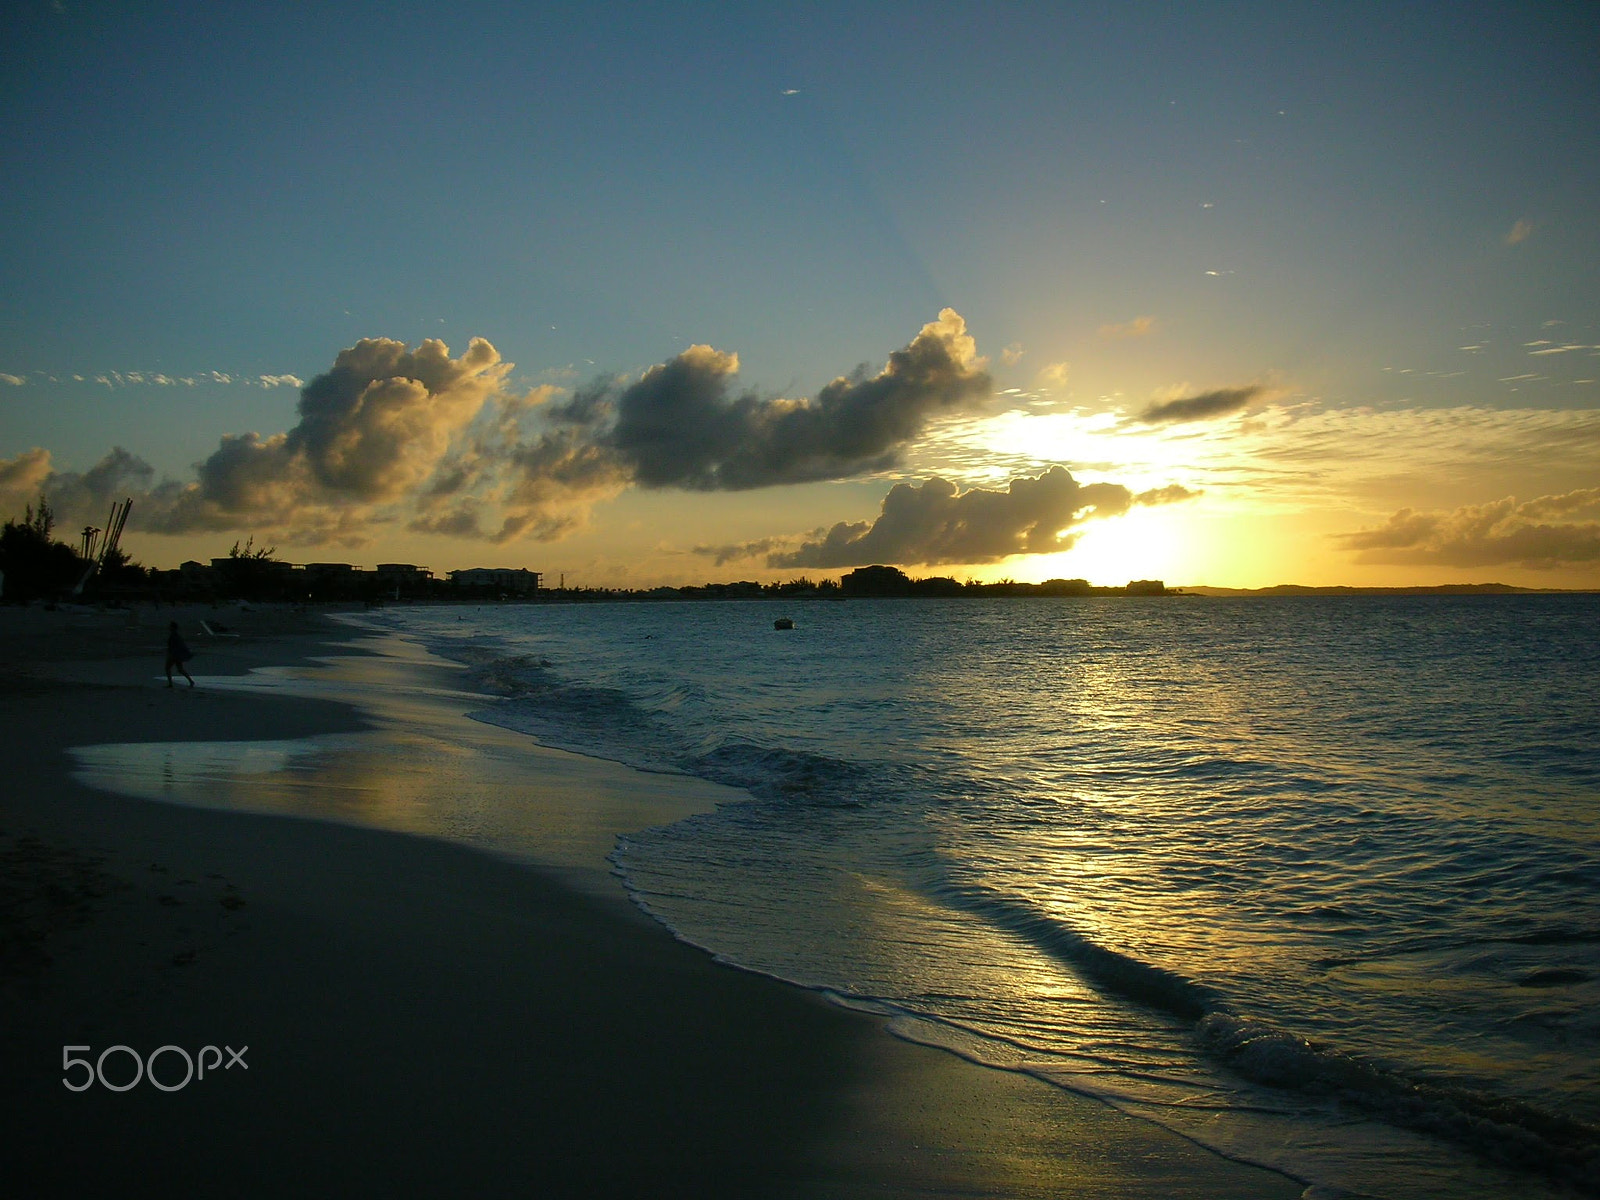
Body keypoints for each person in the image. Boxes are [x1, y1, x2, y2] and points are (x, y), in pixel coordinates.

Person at [165, 621, 195, 688]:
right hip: (177, 655)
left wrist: (170, 653)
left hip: (174, 655)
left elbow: (173, 646)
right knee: (180, 669)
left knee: (167, 668)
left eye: (170, 626)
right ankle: (190, 681)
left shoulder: (174, 636)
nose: (169, 627)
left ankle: (170, 684)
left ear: (172, 627)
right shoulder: (177, 635)